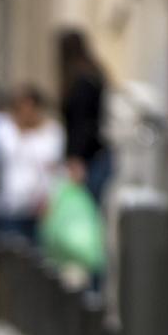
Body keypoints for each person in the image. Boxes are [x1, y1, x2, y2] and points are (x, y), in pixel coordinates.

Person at [0, 84, 65, 244]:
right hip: (9, 206)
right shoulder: (3, 129)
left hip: (40, 209)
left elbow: (54, 168)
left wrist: (51, 198)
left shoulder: (51, 132)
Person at [57, 28, 111, 207]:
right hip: (99, 152)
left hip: (89, 157)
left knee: (85, 206)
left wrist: (76, 158)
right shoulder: (93, 74)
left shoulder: (80, 82)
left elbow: (81, 124)